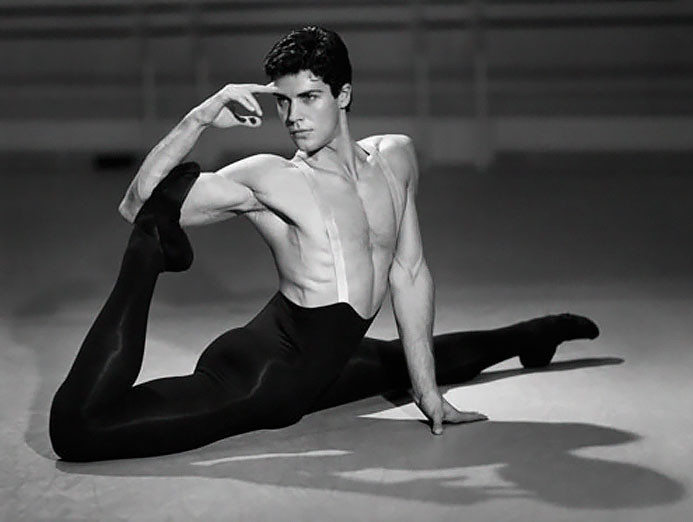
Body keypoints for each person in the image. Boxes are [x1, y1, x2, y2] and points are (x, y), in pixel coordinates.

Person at [49, 26, 599, 462]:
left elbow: (408, 273)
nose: (293, 117)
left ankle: (534, 335)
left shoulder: (395, 158)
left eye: (309, 98)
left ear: (344, 94)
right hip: (260, 377)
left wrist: (428, 394)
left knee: (403, 361)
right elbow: (136, 204)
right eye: (284, 102)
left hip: (324, 362)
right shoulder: (272, 178)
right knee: (80, 429)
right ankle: (151, 256)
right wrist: (201, 117)